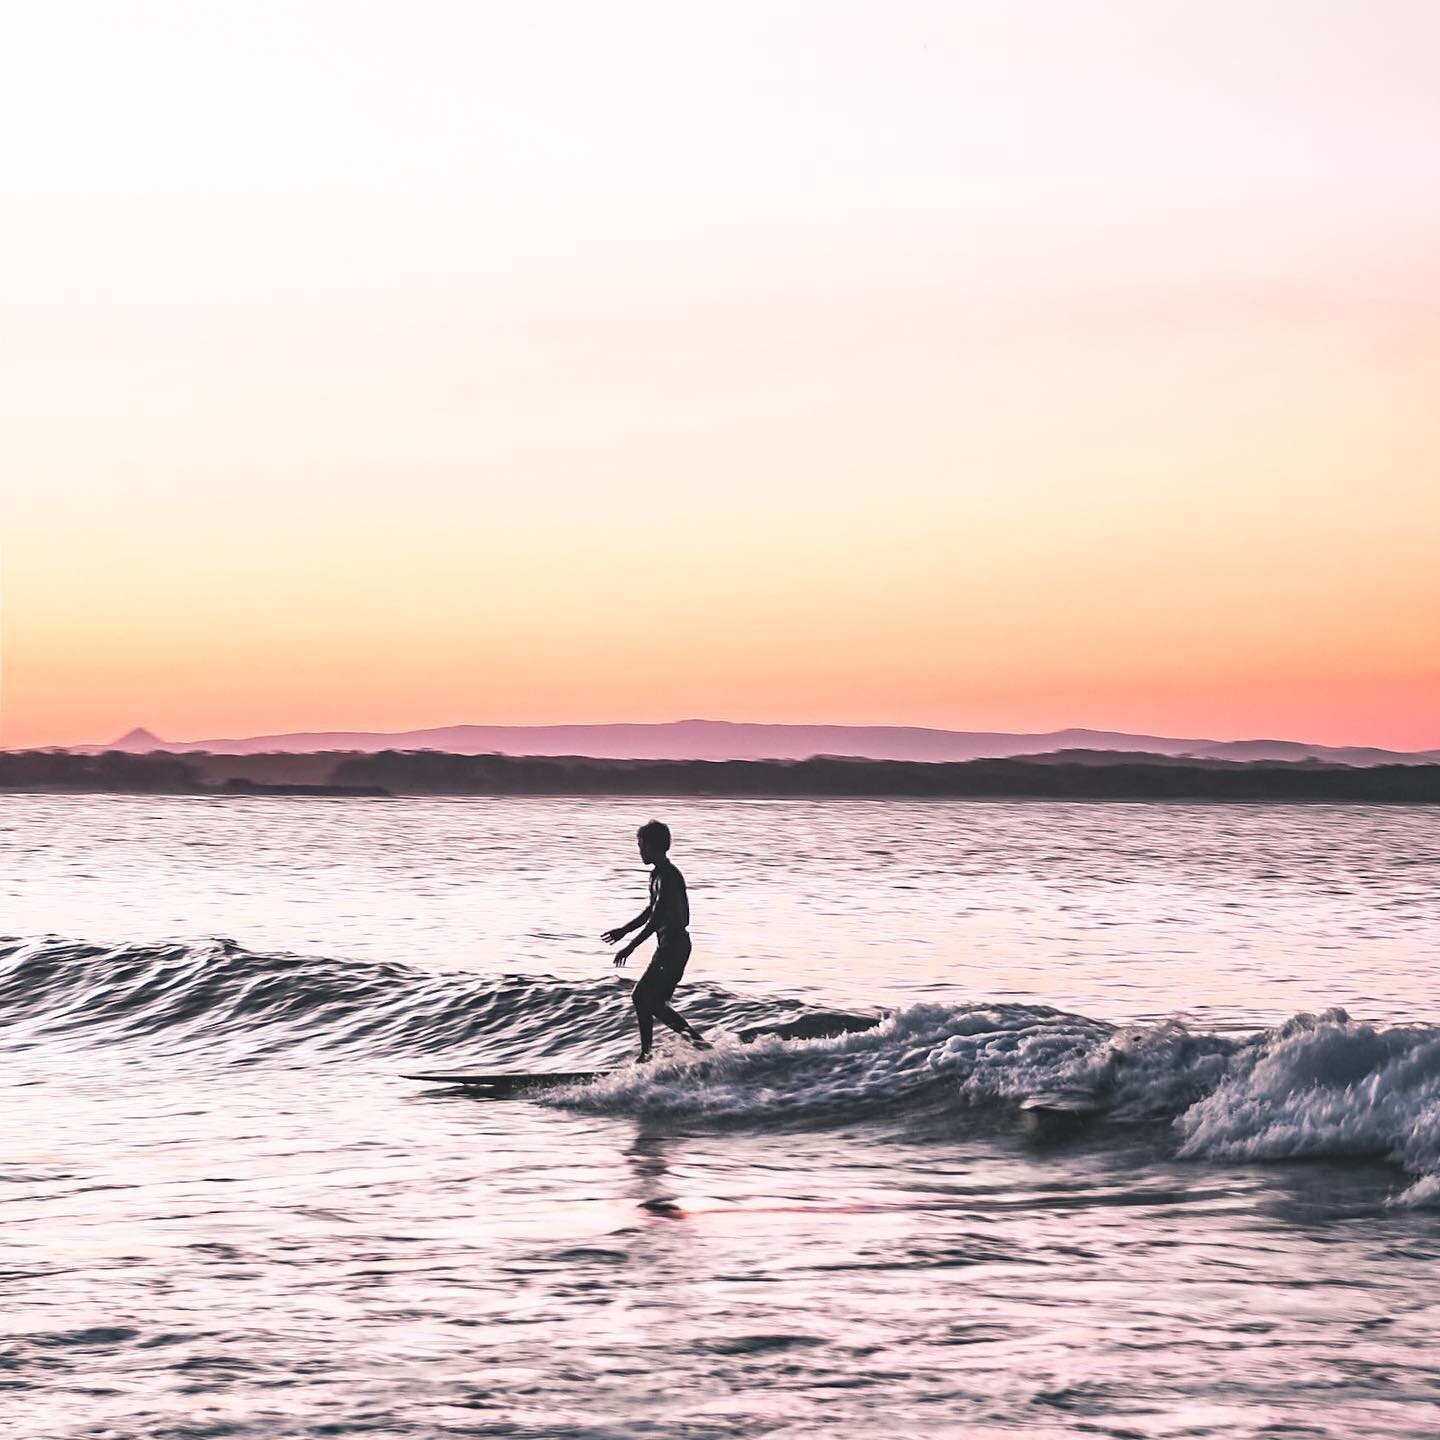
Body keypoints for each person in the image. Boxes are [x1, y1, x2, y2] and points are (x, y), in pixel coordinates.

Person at [602, 820, 712, 1063]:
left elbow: (656, 918)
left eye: (641, 845)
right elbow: (650, 911)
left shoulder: (668, 877)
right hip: (671, 946)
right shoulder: (658, 874)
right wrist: (624, 930)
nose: (639, 851)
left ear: (652, 846)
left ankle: (647, 1055)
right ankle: (699, 1046)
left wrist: (630, 946)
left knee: (641, 996)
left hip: (674, 947)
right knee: (654, 1003)